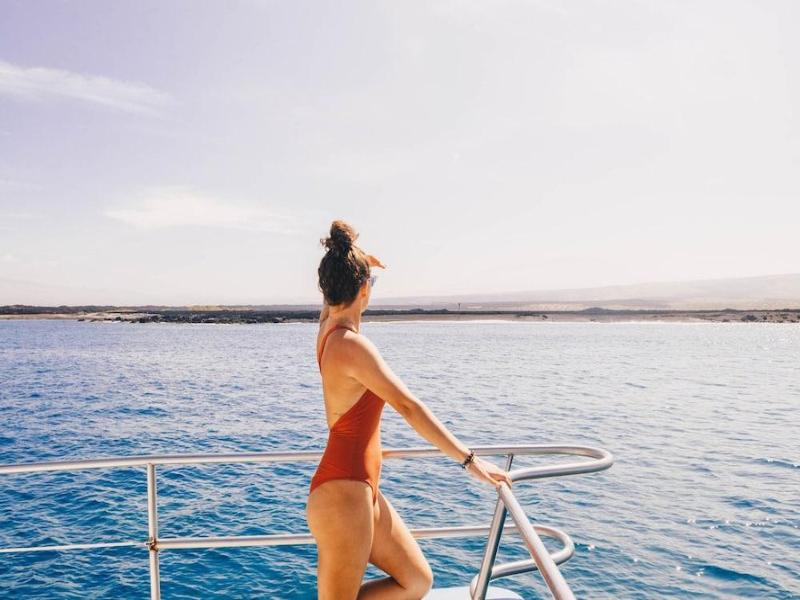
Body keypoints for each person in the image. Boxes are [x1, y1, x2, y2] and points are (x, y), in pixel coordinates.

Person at [305, 220, 513, 599]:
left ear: (329, 288)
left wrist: (355, 262)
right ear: (364, 290)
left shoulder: (327, 332)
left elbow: (331, 301)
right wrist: (470, 461)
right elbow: (409, 406)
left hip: (361, 490)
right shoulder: (352, 346)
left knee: (416, 580)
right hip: (343, 495)